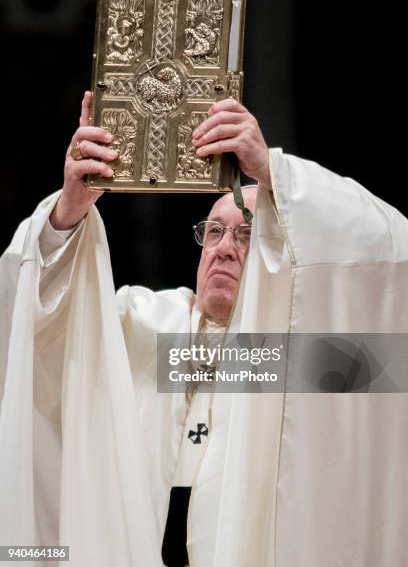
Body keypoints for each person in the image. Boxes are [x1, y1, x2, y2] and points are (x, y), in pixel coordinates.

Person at [0, 93, 408, 567]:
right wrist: (68, 212)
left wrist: (274, 172)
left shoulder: (304, 356)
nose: (224, 248)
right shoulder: (142, 326)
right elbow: (35, 324)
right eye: (214, 231)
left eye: (247, 233)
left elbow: (390, 261)